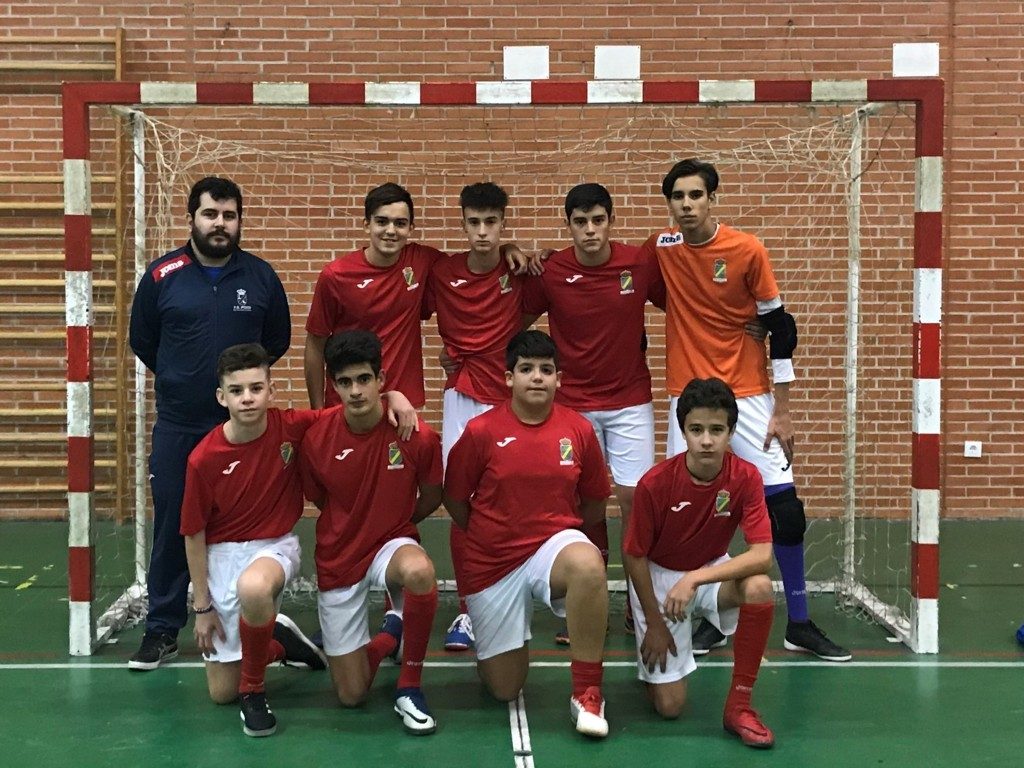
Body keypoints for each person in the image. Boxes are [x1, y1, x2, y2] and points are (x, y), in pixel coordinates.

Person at [641, 158, 850, 662]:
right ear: (669, 204)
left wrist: (784, 408)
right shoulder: (662, 247)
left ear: (712, 199)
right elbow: (626, 276)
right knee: (690, 511)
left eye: (696, 195)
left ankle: (799, 622)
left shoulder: (747, 249)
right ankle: (712, 616)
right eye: (677, 197)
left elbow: (781, 327)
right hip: (688, 397)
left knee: (786, 512)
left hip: (751, 394)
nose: (686, 205)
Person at [129, 176, 291, 671]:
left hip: (242, 430)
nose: (220, 224)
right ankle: (162, 628)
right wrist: (182, 378)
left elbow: (276, 341)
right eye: (210, 214)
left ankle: (259, 620)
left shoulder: (261, 277)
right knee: (175, 522)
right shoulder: (163, 276)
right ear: (192, 218)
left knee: (246, 523)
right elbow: (144, 341)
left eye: (229, 215)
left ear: (239, 221)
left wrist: (238, 395)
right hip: (180, 424)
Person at [444, 330, 613, 738]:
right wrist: (490, 535)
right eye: (526, 369)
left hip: (553, 548)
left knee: (588, 563)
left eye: (546, 370)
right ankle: (495, 645)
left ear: (559, 379)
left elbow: (594, 503)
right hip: (493, 563)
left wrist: (563, 532)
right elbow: (455, 499)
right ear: (509, 378)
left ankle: (587, 692)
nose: (537, 377)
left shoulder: (578, 430)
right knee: (504, 688)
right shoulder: (481, 431)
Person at [522, 182, 663, 642]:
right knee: (585, 503)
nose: (589, 230)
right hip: (572, 404)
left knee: (634, 500)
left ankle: (640, 606)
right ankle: (589, 605)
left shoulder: (639, 264)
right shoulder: (551, 271)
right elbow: (512, 322)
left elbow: (685, 300)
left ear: (611, 221)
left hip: (629, 401)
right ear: (568, 225)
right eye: (580, 222)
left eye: (598, 220)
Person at [300, 330, 443, 735]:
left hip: (390, 544)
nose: (356, 391)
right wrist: (353, 522)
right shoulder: (316, 437)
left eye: (364, 379)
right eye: (345, 382)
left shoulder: (416, 434)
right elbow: (320, 497)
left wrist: (396, 521)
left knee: (419, 571)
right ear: (333, 386)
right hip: (339, 556)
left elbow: (432, 495)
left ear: (381, 380)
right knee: (351, 694)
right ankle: (392, 631)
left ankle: (409, 686)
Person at [180, 343, 326, 738]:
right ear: (221, 397)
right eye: (237, 390)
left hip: (273, 547)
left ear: (271, 391)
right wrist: (202, 607)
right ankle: (279, 642)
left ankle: (255, 693)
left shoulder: (290, 426)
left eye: (256, 388)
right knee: (220, 694)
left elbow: (347, 411)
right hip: (220, 557)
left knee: (254, 587)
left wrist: (394, 397)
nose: (247, 398)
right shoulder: (203, 458)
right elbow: (193, 534)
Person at [623, 377, 776, 748]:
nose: (706, 440)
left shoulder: (746, 477)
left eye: (716, 430)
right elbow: (634, 555)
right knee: (670, 707)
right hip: (658, 577)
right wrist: (654, 623)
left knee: (759, 587)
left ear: (731, 432)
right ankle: (652, 671)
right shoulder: (655, 484)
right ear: (683, 432)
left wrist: (694, 579)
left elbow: (762, 555)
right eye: (696, 430)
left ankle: (739, 706)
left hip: (707, 571)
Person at [304, 182, 532, 411]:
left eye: (400, 223)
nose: (391, 231)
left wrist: (507, 248)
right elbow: (315, 344)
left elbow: (477, 261)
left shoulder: (423, 261)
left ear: (410, 227)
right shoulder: (336, 275)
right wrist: (318, 412)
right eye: (382, 221)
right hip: (349, 402)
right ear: (367, 224)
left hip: (404, 405)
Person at [424, 182, 524, 652]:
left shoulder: (520, 271)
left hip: (509, 400)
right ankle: (467, 609)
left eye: (491, 223)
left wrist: (517, 249)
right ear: (462, 223)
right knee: (460, 500)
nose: (482, 232)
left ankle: (508, 595)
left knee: (508, 500)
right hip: (462, 397)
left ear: (503, 223)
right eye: (474, 222)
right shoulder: (441, 272)